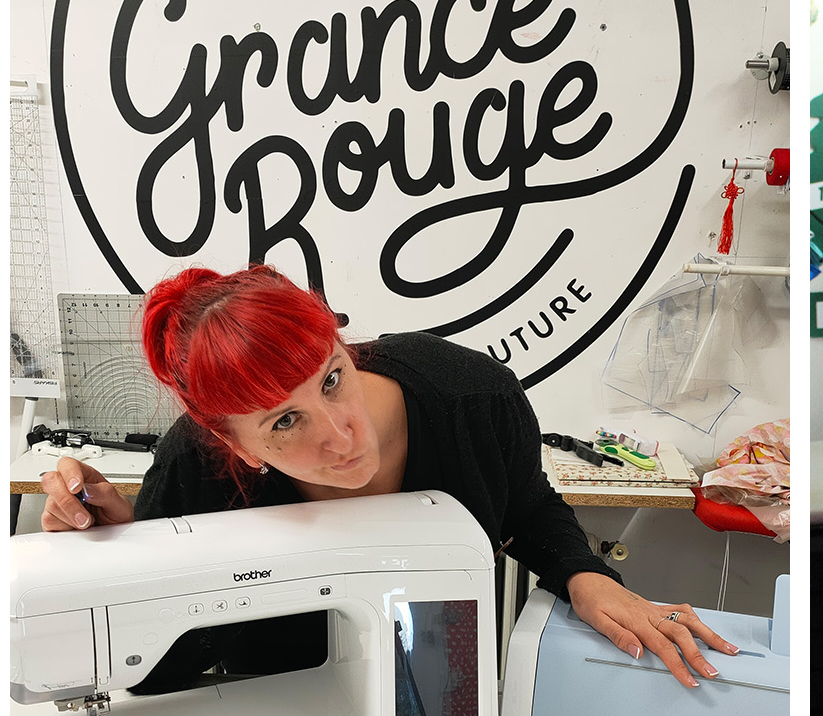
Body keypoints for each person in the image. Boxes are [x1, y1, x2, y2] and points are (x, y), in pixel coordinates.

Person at [39, 264, 734, 691]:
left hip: (441, 688)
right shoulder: (197, 466)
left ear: (344, 343)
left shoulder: (475, 400)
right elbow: (162, 671)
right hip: (269, 695)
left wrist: (583, 575)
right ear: (232, 442)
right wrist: (121, 555)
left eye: (332, 379)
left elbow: (525, 505)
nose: (341, 435)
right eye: (284, 424)